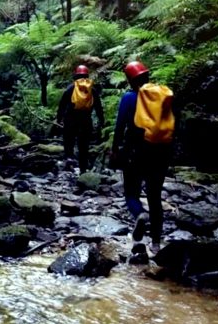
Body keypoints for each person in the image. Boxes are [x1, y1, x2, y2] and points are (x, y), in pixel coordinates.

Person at [110, 60, 175, 255]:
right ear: (147, 75)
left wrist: (115, 148)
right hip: (161, 152)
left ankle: (140, 214)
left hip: (135, 152)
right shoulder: (163, 95)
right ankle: (156, 243)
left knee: (131, 193)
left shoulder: (129, 98)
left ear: (130, 80)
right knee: (155, 197)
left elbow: (120, 126)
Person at [56, 65, 105, 173]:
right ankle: (83, 169)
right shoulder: (92, 89)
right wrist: (102, 121)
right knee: (84, 146)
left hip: (71, 121)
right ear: (87, 75)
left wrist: (59, 119)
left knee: (69, 142)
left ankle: (69, 160)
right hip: (86, 121)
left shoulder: (70, 88)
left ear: (76, 76)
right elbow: (98, 107)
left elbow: (62, 106)